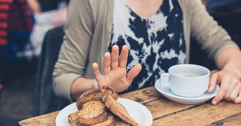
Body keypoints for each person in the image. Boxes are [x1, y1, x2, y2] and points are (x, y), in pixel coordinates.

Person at [53, 0, 241, 105]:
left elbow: (222, 44)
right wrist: (97, 86)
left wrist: (232, 70)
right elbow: (62, 78)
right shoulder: (90, 2)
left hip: (177, 122)